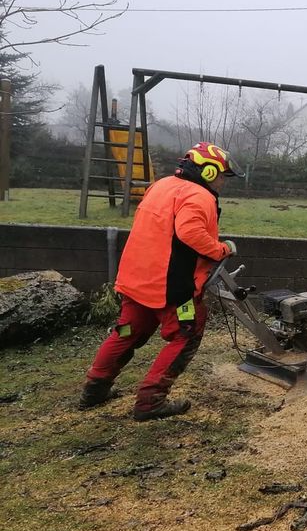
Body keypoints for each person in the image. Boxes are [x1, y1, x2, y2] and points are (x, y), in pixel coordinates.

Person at [80, 142, 243, 420]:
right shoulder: (198, 195)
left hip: (135, 279)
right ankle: (150, 402)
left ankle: (94, 390)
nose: (221, 183)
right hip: (170, 287)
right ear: (208, 171)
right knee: (186, 333)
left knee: (126, 332)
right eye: (220, 176)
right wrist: (220, 249)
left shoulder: (161, 185)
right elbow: (190, 232)